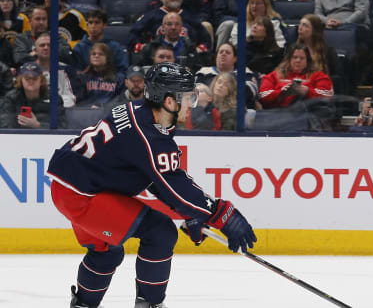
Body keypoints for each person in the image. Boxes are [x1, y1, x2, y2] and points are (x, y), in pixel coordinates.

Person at [47, 62, 256, 307]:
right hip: (83, 194)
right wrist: (220, 213)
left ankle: (83, 305)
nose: (193, 104)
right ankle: (151, 304)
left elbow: (148, 181)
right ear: (169, 101)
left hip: (74, 184)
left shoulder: (140, 112)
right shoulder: (149, 135)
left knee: (106, 252)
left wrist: (189, 213)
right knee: (160, 233)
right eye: (189, 97)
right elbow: (172, 185)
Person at [259, 43, 334, 109]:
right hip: (279, 114)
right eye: (294, 57)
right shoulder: (274, 75)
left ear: (307, 61)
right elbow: (262, 95)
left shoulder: (319, 76)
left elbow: (327, 95)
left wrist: (307, 91)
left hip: (308, 113)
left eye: (302, 58)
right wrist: (281, 92)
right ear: (289, 60)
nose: (298, 60)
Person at [195, 42, 261, 111]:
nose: (223, 54)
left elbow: (250, 91)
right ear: (216, 57)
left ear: (235, 58)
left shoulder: (245, 72)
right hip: (207, 113)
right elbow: (194, 93)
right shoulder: (203, 72)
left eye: (227, 52)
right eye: (221, 52)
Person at [0, 61, 67, 128]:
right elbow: (6, 125)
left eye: (35, 78)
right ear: (21, 80)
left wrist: (38, 125)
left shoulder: (54, 98)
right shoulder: (11, 98)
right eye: (27, 78)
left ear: (41, 80)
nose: (31, 81)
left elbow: (62, 126)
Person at [34, 31, 77, 108]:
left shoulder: (67, 70)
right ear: (35, 50)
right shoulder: (26, 70)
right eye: (42, 45)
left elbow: (71, 98)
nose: (46, 48)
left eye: (49, 45)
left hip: (60, 113)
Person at [75, 42, 124, 107]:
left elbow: (120, 100)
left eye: (101, 54)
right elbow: (78, 100)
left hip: (109, 113)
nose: (96, 56)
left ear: (108, 58)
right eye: (93, 54)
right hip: (86, 112)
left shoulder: (119, 78)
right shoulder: (81, 77)